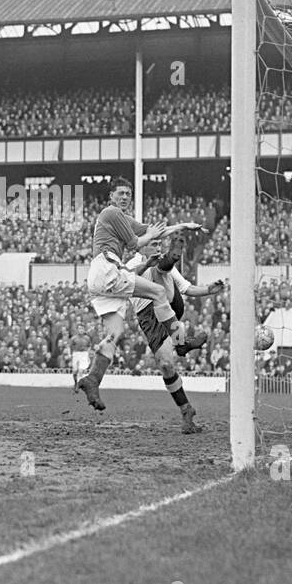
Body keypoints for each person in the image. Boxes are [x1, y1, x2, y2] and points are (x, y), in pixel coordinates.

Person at [76, 177, 203, 411]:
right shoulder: (111, 212)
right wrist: (148, 235)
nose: (125, 197)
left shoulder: (122, 219)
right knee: (157, 292)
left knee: (115, 332)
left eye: (128, 193)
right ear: (111, 196)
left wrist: (183, 226)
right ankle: (181, 343)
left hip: (100, 275)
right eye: (120, 193)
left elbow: (154, 233)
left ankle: (92, 379)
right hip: (108, 268)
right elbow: (137, 243)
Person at [128, 234, 225, 433]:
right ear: (141, 248)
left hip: (170, 305)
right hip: (147, 316)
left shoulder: (160, 263)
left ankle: (182, 343)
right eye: (153, 244)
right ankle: (186, 411)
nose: (156, 246)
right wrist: (147, 264)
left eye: (158, 243)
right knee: (165, 366)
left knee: (161, 269)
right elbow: (127, 280)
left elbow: (187, 288)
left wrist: (209, 289)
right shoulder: (131, 264)